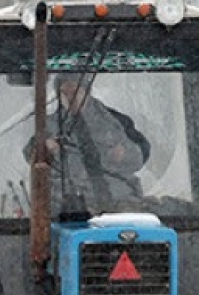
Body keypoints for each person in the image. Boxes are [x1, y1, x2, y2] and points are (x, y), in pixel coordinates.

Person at [27, 73, 150, 210]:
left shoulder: (115, 121)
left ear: (87, 92)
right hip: (70, 207)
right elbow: (31, 155)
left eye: (75, 92)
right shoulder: (49, 126)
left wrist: (125, 153)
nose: (70, 98)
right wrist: (44, 149)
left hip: (119, 200)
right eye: (64, 93)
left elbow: (142, 153)